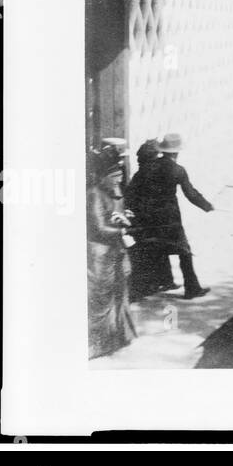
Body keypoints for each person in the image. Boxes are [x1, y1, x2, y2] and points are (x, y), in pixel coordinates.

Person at [123, 132, 212, 300]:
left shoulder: (148, 167)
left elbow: (132, 190)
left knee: (154, 247)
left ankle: (153, 285)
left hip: (148, 217)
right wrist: (207, 206)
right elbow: (191, 194)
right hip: (169, 219)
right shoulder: (178, 170)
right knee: (184, 251)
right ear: (177, 152)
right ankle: (192, 289)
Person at [87, 141, 137, 359]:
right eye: (115, 175)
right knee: (100, 299)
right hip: (100, 255)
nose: (119, 178)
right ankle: (98, 344)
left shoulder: (114, 192)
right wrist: (120, 230)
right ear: (105, 176)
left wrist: (124, 217)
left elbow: (113, 216)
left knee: (118, 294)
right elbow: (98, 228)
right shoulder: (95, 195)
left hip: (114, 253)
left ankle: (117, 337)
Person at [127, 139, 176, 295]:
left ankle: (163, 281)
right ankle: (157, 283)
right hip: (150, 217)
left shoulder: (141, 174)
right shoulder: (150, 173)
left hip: (147, 216)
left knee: (155, 248)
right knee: (153, 249)